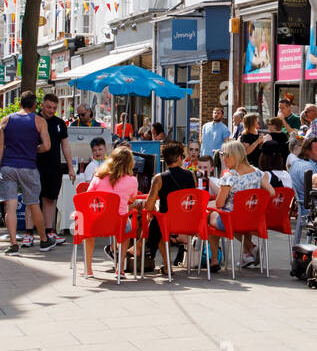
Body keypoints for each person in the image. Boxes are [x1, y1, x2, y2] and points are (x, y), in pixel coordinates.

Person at [0, 91, 55, 255]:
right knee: (34, 204)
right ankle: (43, 240)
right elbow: (47, 146)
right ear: (35, 105)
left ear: (19, 103)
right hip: (28, 166)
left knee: (10, 207)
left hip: (8, 166)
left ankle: (13, 244)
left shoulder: (6, 120)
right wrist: (34, 150)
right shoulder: (39, 121)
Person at [207, 140, 274, 270]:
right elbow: (271, 193)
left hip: (233, 220)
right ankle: (248, 252)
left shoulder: (230, 177)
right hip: (253, 218)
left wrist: (210, 205)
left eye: (226, 155)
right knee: (235, 216)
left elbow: (220, 203)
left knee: (210, 216)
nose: (223, 159)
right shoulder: (258, 173)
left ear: (235, 156)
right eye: (222, 155)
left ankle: (215, 260)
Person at [141, 141, 198, 272]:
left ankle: (158, 259)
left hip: (167, 224)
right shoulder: (191, 176)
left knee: (157, 221)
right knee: (159, 222)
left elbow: (149, 207)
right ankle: (146, 251)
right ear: (179, 158)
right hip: (188, 222)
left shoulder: (159, 178)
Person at [85, 146, 141, 277]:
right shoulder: (132, 181)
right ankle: (120, 268)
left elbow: (88, 197)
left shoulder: (98, 176)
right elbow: (132, 199)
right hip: (118, 224)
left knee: (88, 236)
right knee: (127, 230)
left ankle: (88, 269)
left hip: (97, 221)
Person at [36, 93, 73, 246]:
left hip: (54, 166)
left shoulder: (59, 123)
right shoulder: (35, 120)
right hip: (35, 165)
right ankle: (30, 233)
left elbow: (65, 145)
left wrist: (70, 166)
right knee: (33, 200)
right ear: (42, 105)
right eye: (49, 107)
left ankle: (49, 231)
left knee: (50, 200)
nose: (51, 111)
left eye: (54, 108)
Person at [287, 135, 317, 241]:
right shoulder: (307, 167)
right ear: (307, 151)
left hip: (305, 207)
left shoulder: (297, 163)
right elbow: (316, 191)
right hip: (310, 210)